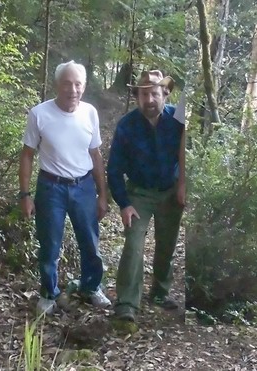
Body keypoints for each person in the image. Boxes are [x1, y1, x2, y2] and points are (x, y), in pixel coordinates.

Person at [19, 60, 111, 315]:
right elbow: (27, 155)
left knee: (90, 242)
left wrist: (102, 194)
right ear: (57, 85)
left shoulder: (90, 112)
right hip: (51, 187)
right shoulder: (39, 114)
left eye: (78, 84)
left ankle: (90, 287)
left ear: (84, 86)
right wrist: (25, 194)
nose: (73, 89)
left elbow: (96, 155)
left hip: (83, 187)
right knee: (49, 243)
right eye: (67, 84)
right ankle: (49, 293)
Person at [107, 70, 185, 322]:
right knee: (134, 244)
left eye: (153, 93)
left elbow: (189, 155)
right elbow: (114, 169)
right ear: (137, 97)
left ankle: (160, 292)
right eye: (143, 94)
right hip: (138, 192)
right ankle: (128, 302)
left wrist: (184, 184)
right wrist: (124, 204)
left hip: (170, 191)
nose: (149, 99)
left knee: (167, 244)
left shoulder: (178, 119)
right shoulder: (127, 125)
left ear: (164, 94)